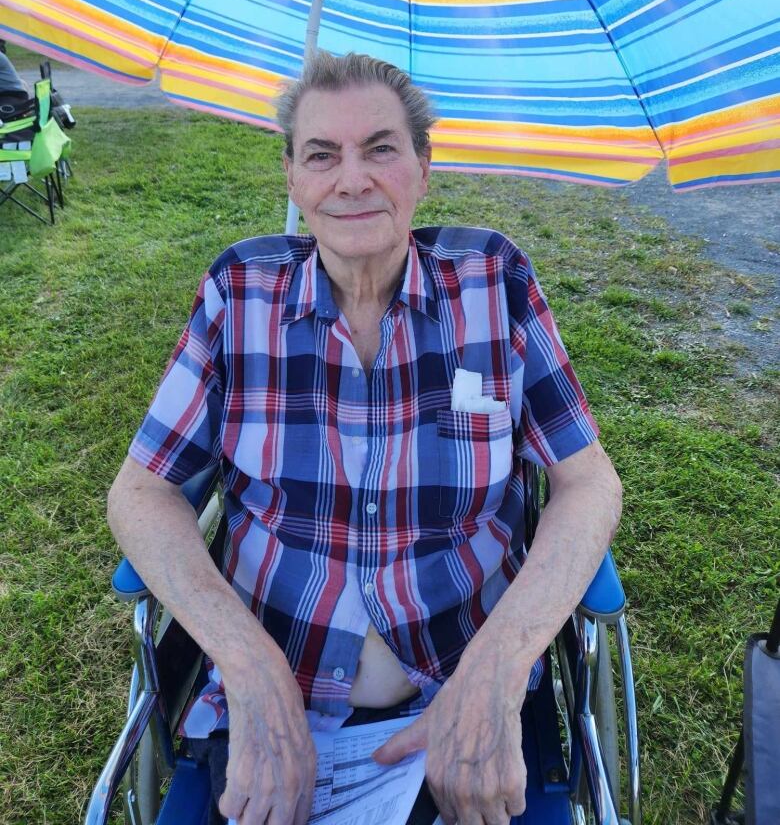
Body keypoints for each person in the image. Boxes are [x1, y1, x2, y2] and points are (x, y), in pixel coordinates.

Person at [107, 52, 623, 825]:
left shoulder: (494, 282)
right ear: (291, 175)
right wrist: (250, 671)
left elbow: (588, 481)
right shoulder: (239, 294)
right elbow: (142, 490)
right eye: (322, 154)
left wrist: (498, 670)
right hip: (275, 712)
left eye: (380, 148)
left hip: (462, 698)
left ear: (423, 165)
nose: (351, 180)